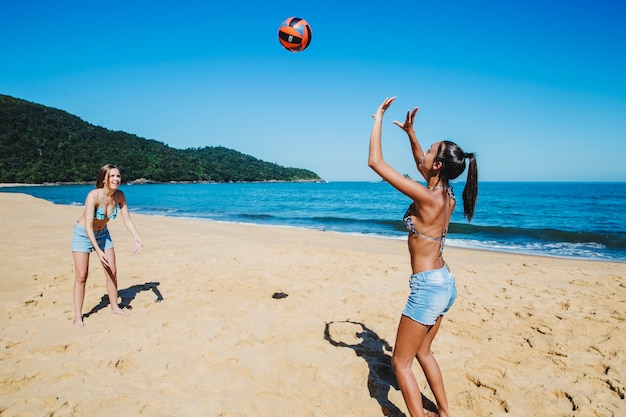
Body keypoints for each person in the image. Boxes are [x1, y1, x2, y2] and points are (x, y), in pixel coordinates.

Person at [368, 97, 478, 417]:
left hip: (428, 286)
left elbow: (376, 162)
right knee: (424, 352)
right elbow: (422, 165)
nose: (423, 155)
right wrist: (411, 135)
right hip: (445, 283)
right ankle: (444, 412)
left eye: (430, 151)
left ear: (439, 164)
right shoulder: (446, 194)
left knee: (400, 363)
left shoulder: (427, 197)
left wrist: (378, 118)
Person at [71, 164, 143, 326]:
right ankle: (77, 316)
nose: (116, 179)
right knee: (82, 275)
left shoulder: (119, 196)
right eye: (112, 176)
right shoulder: (93, 196)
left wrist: (136, 237)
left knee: (112, 270)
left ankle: (114, 307)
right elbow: (88, 226)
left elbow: (127, 219)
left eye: (118, 176)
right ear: (104, 179)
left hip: (103, 234)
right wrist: (97, 250)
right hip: (83, 234)